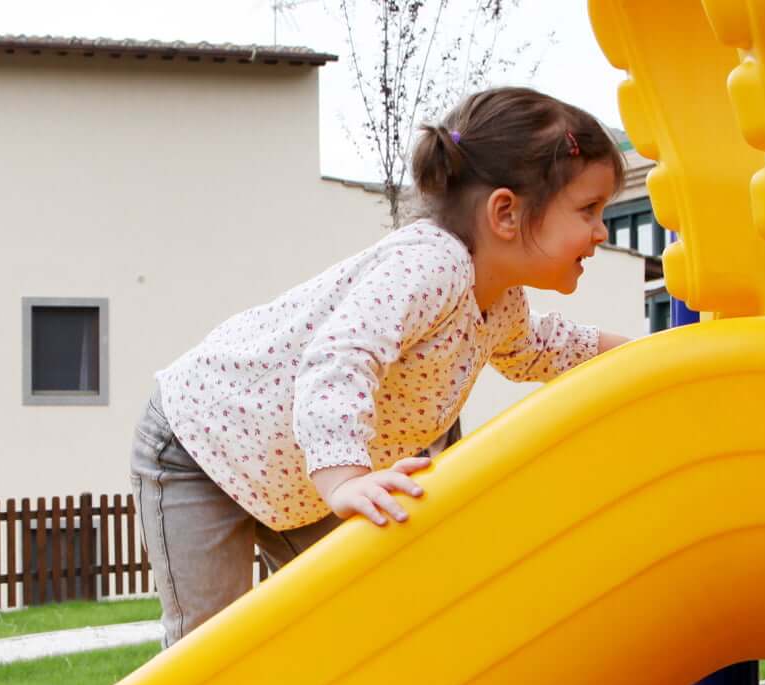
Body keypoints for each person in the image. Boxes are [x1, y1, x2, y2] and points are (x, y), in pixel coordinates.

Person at [131, 87, 634, 646]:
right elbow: (341, 356)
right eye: (588, 210)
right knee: (211, 644)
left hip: (301, 479)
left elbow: (543, 347)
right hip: (205, 444)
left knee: (352, 624)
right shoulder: (431, 265)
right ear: (505, 213)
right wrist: (345, 478)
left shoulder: (501, 303)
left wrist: (644, 354)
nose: (602, 231)